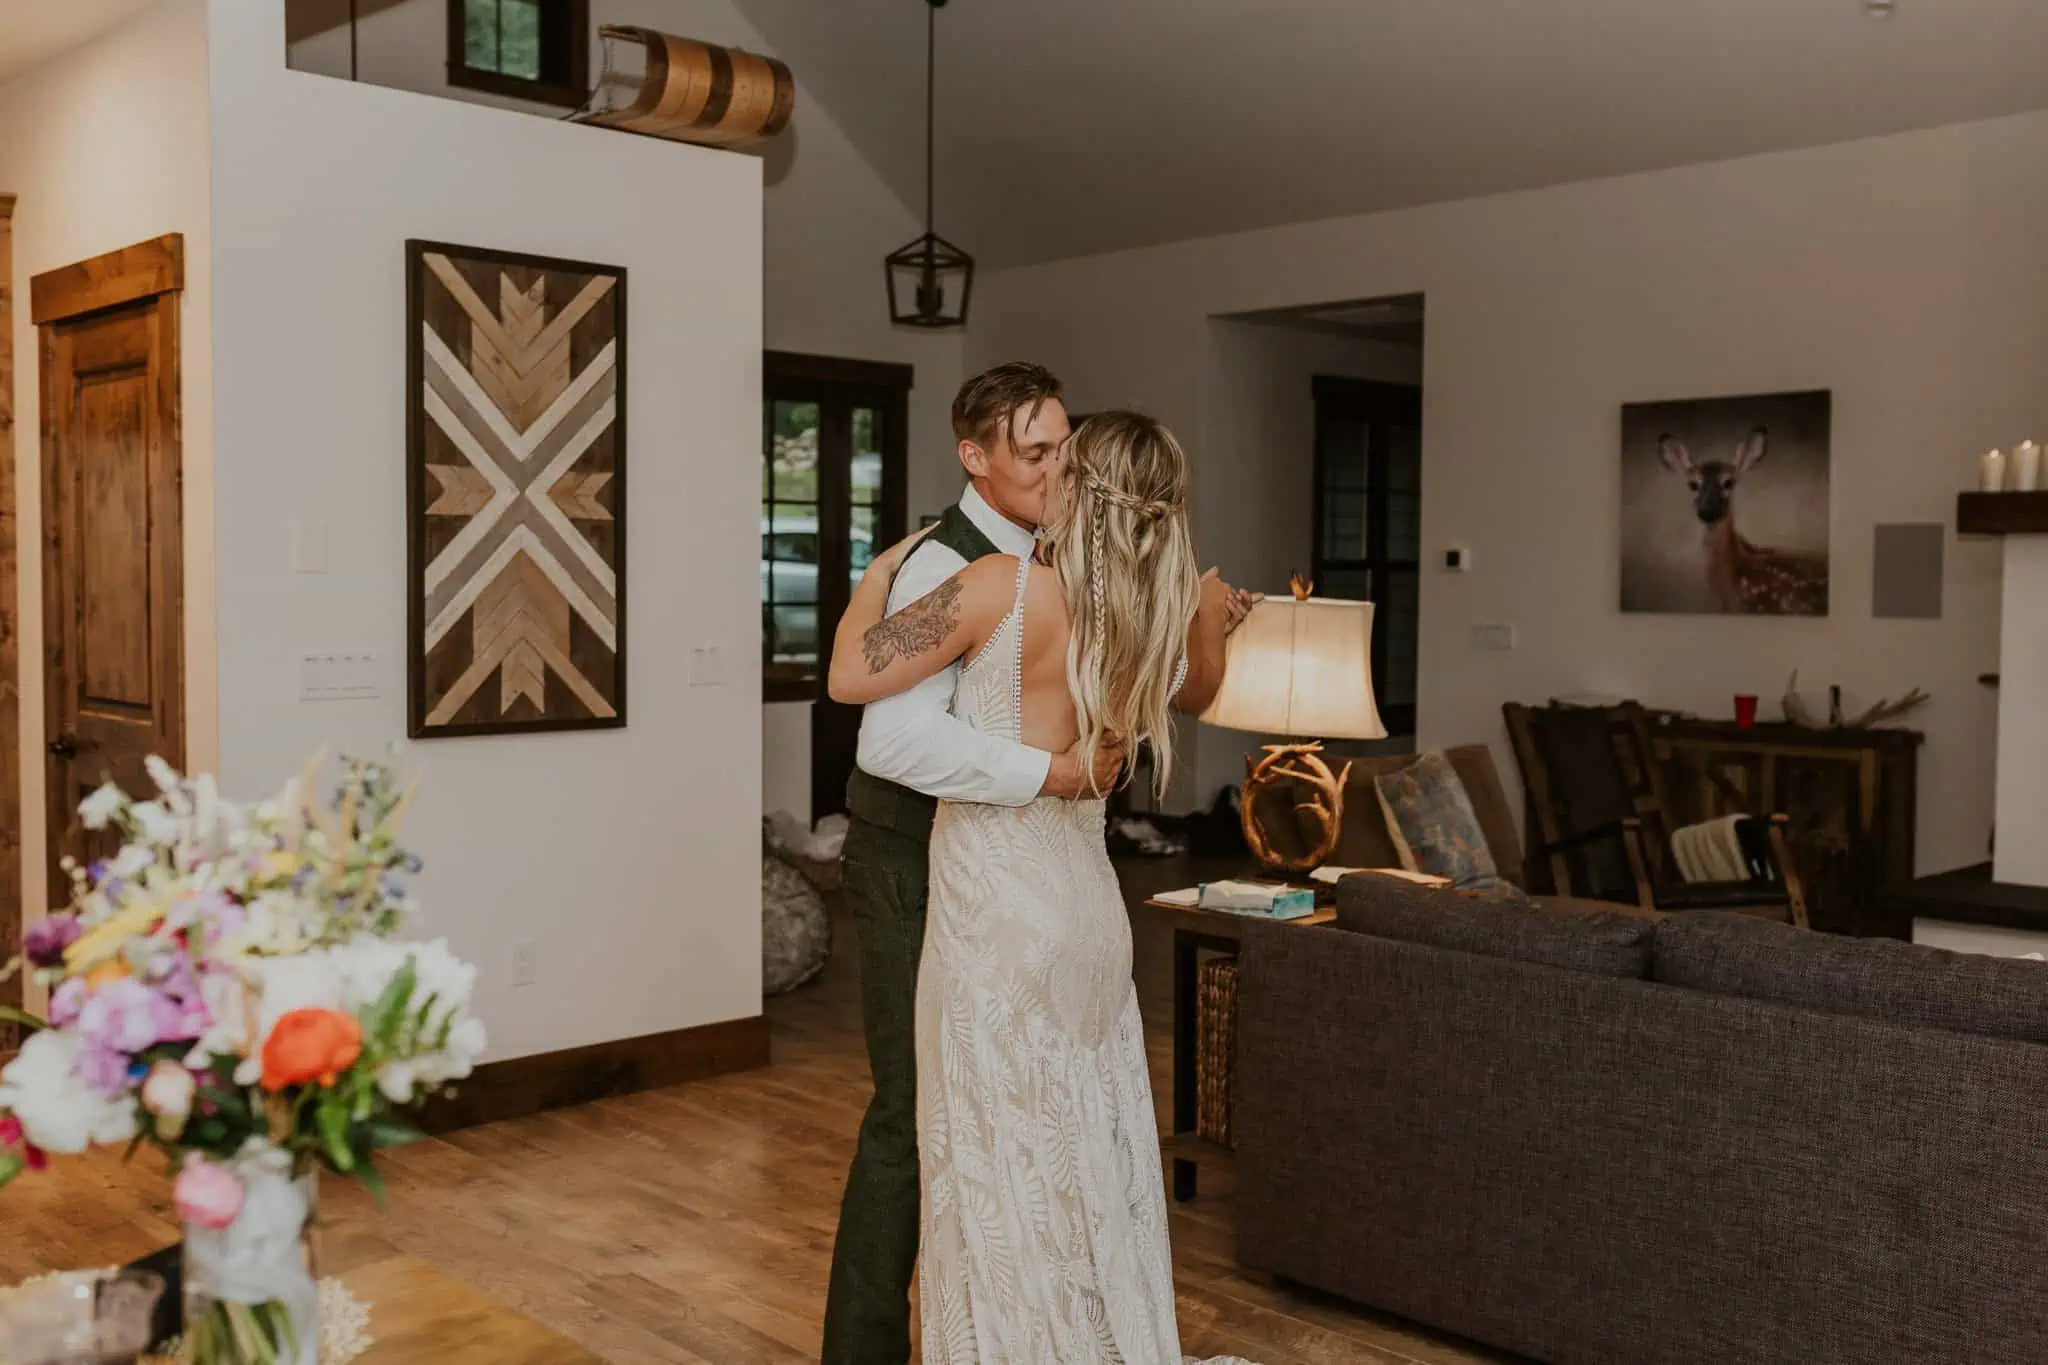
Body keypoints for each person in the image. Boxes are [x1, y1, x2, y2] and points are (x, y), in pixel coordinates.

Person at [827, 409, 1260, 1364]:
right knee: (1087, 1152)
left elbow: (852, 678)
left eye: (1062, 458)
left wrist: (870, 585)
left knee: (991, 1161)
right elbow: (1200, 686)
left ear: (1078, 487)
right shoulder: (1142, 620)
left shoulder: (995, 585)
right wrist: (1211, 616)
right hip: (1090, 910)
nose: (1046, 467)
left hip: (999, 912)